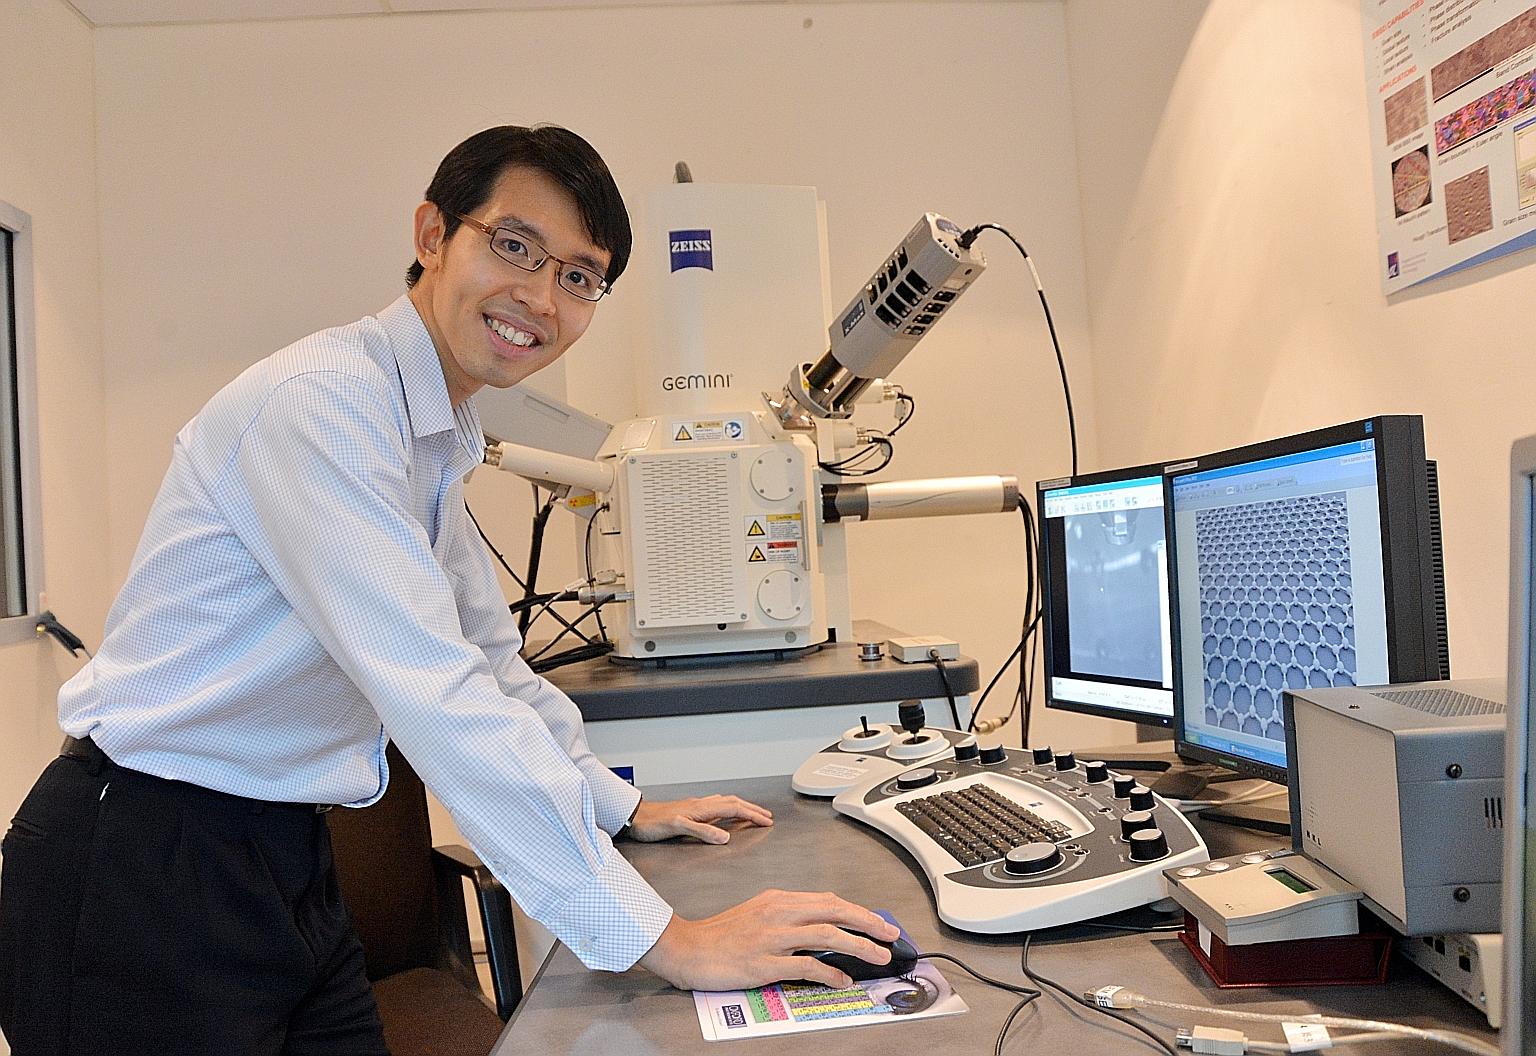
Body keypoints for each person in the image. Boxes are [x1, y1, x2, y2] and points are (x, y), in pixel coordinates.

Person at [0, 124, 896, 1056]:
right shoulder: (324, 407)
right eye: (515, 246)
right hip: (143, 865)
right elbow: (439, 695)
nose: (541, 297)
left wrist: (617, 804)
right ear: (433, 234)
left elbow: (490, 664)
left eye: (579, 276)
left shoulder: (430, 431)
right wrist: (663, 939)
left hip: (285, 855)